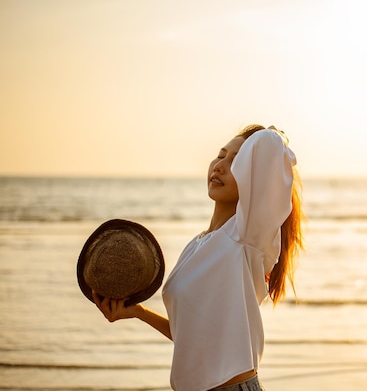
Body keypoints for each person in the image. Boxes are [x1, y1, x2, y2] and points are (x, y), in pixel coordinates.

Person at [92, 124, 304, 391]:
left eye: (238, 160)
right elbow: (190, 336)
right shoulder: (196, 245)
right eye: (220, 155)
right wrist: (139, 313)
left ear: (255, 174)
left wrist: (278, 135)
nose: (220, 166)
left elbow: (269, 147)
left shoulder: (247, 236)